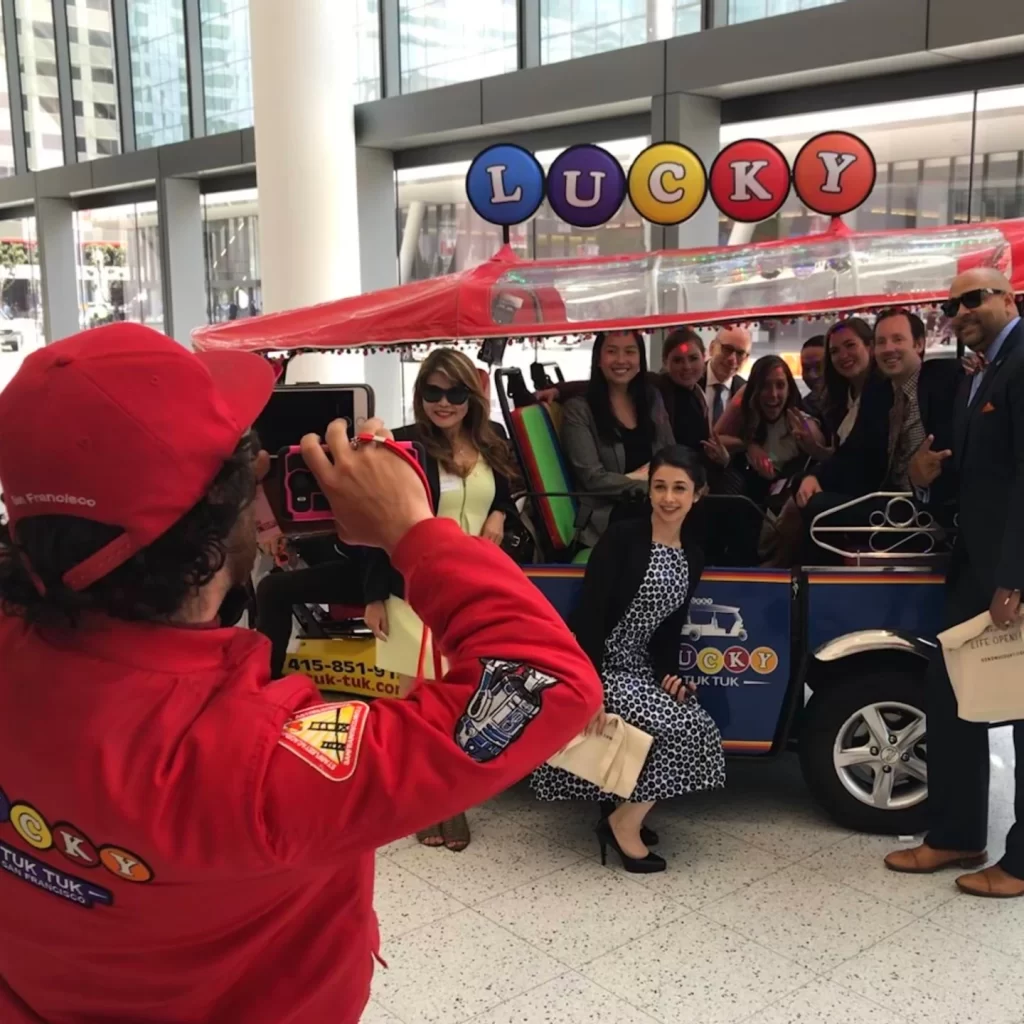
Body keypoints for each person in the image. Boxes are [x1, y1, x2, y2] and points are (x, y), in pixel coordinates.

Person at [0, 323, 602, 1024]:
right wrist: (414, 532)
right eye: (241, 464)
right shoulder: (258, 763)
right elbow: (547, 681)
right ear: (218, 529)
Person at [885, 269, 1024, 898]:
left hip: (1009, 572)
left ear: (1007, 297)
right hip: (972, 561)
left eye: (974, 297)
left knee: (1022, 715)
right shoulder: (982, 371)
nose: (962, 309)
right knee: (950, 696)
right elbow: (970, 473)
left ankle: (1020, 864)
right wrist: (920, 476)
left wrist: (1014, 577)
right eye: (953, 302)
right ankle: (958, 832)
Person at [530, 446, 725, 871]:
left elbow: (670, 629)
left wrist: (670, 676)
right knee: (684, 731)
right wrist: (590, 689)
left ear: (697, 495)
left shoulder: (692, 554)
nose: (668, 498)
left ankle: (624, 810)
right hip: (604, 670)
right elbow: (590, 617)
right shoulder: (623, 538)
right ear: (648, 490)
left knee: (697, 724)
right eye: (659, 487)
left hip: (640, 670)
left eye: (679, 488)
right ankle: (624, 823)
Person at [362, 346, 520, 851]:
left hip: (470, 590)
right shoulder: (405, 447)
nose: (443, 403)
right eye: (433, 392)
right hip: (415, 591)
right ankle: (431, 802)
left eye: (454, 392)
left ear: (471, 397)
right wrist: (371, 595)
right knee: (419, 705)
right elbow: (377, 522)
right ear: (420, 394)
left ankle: (448, 797)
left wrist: (501, 515)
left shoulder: (491, 442)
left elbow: (504, 495)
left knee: (463, 698)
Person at [795, 310, 962, 559]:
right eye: (881, 342)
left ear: (918, 344)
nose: (888, 349)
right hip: (890, 502)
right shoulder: (880, 394)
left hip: (931, 511)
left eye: (897, 340)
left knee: (818, 510)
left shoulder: (943, 376)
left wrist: (924, 481)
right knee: (808, 498)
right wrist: (813, 475)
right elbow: (853, 451)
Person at [764, 318, 878, 567]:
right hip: (851, 486)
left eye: (850, 346)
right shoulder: (840, 400)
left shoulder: (881, 395)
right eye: (835, 351)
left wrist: (815, 473)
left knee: (811, 503)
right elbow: (843, 456)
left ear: (870, 347)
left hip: (874, 493)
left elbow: (861, 460)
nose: (843, 355)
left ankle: (790, 574)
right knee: (800, 493)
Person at [561, 330, 675, 546]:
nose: (621, 360)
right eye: (612, 351)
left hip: (658, 504)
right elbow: (593, 478)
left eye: (630, 352)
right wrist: (651, 488)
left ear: (640, 360)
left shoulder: (652, 398)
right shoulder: (578, 410)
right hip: (609, 514)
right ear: (599, 360)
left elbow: (670, 453)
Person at [714, 354, 825, 508]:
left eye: (780, 385)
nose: (773, 395)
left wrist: (811, 442)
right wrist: (748, 445)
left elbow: (822, 450)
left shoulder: (801, 421)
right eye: (765, 386)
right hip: (746, 488)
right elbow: (714, 440)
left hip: (785, 494)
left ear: (789, 388)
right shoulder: (746, 408)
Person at [703, 325, 751, 424]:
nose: (732, 359)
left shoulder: (747, 393)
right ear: (712, 348)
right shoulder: (689, 379)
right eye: (727, 349)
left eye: (740, 353)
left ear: (746, 359)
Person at [799, 334, 827, 416]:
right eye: (806, 368)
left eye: (819, 367)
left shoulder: (857, 405)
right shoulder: (802, 409)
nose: (812, 375)